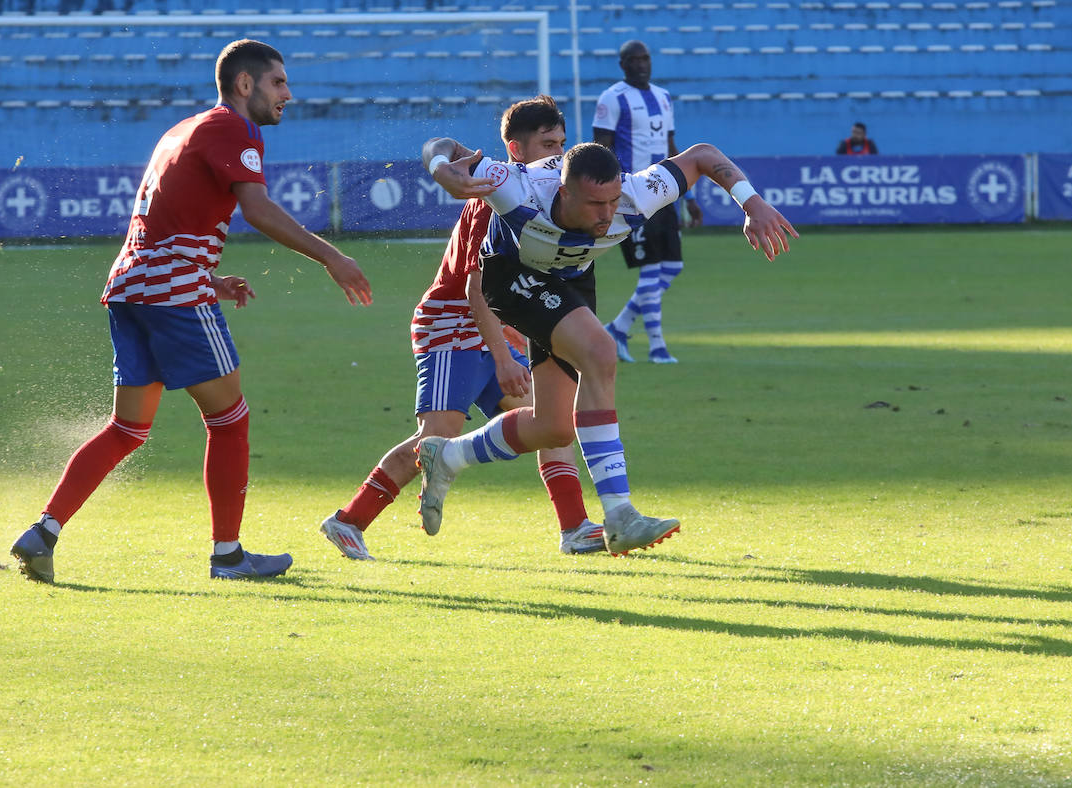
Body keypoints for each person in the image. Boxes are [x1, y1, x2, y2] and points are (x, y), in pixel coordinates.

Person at [9, 39, 374, 584]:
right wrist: (331, 256)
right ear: (245, 84)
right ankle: (228, 556)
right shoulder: (234, 127)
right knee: (230, 420)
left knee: (127, 429)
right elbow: (258, 208)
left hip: (130, 288)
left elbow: (165, 221)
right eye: (278, 83)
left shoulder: (183, 129)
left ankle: (43, 532)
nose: (288, 95)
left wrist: (210, 277)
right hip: (173, 296)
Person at [415, 134, 798, 555]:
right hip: (509, 278)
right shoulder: (516, 187)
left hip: (571, 279)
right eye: (595, 204)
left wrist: (751, 202)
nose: (608, 213)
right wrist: (441, 171)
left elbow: (703, 155)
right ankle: (619, 515)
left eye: (613, 201)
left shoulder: (635, 195)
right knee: (600, 351)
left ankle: (448, 458)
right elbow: (442, 146)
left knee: (553, 427)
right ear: (563, 191)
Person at [319, 95, 607, 559]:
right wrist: (502, 357)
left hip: (494, 326)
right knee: (436, 438)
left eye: (562, 143)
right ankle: (348, 521)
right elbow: (476, 288)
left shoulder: (542, 189)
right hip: (454, 322)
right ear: (516, 149)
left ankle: (574, 527)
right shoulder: (494, 193)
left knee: (552, 424)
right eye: (548, 144)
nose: (558, 154)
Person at [593, 39, 702, 365]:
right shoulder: (612, 98)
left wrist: (689, 194)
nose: (642, 64)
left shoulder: (663, 97)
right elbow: (601, 149)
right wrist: (606, 195)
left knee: (672, 266)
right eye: (635, 59)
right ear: (623, 64)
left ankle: (618, 329)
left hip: (664, 191)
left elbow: (671, 147)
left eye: (646, 58)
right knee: (651, 269)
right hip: (631, 194)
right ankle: (657, 347)